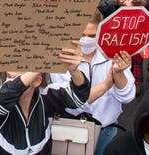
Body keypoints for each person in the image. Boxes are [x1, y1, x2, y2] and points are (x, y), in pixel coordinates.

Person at [49, 11, 135, 155]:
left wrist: (118, 73)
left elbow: (127, 96)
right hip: (71, 128)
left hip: (106, 130)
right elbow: (73, 103)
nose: (86, 40)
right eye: (81, 35)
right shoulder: (62, 58)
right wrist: (105, 85)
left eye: (92, 36)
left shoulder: (111, 53)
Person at [0, 61, 91, 153]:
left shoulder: (47, 99)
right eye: (9, 75)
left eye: (20, 69)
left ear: (37, 80)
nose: (10, 72)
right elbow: (3, 98)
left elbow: (79, 96)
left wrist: (74, 70)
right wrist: (42, 63)